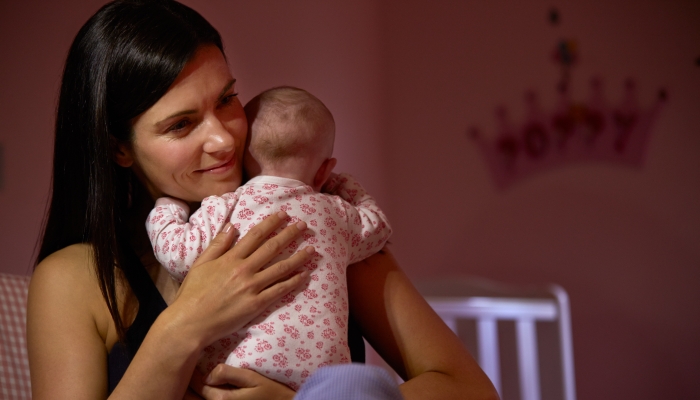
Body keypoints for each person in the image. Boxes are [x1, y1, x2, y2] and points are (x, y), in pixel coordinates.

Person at [27, 1, 500, 399]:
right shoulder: (74, 280)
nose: (224, 139)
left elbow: (469, 389)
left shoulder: (314, 224)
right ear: (119, 147)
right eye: (181, 124)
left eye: (227, 100)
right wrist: (187, 324)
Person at [147, 86, 392, 389]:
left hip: (239, 372)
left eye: (226, 98)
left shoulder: (225, 206)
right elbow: (377, 226)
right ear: (323, 171)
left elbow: (178, 254)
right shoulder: (335, 214)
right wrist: (344, 186)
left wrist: (167, 207)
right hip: (323, 378)